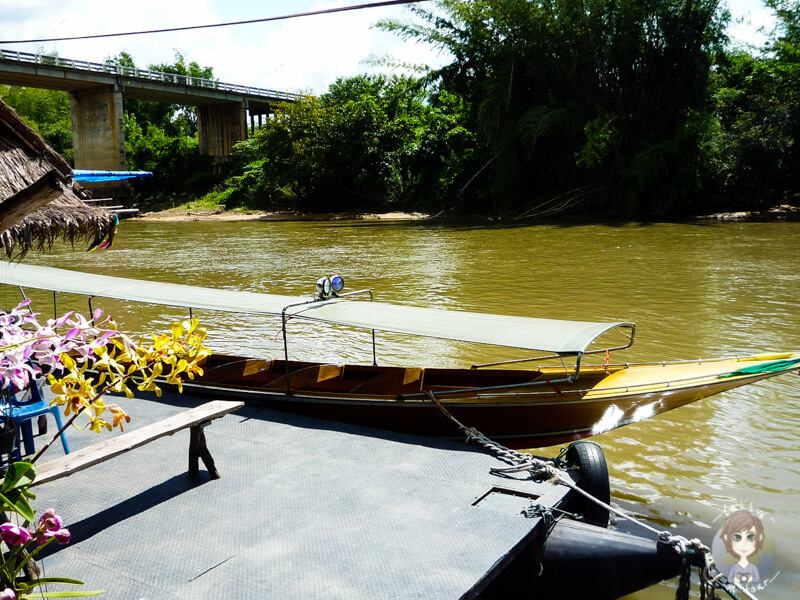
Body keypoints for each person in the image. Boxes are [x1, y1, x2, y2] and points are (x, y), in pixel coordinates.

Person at [721, 509, 764, 584]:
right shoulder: (735, 567)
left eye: (751, 537)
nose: (744, 543)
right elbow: (730, 579)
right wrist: (735, 580)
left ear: (759, 537)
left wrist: (749, 579)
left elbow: (756, 578)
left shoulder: (752, 567)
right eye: (737, 537)